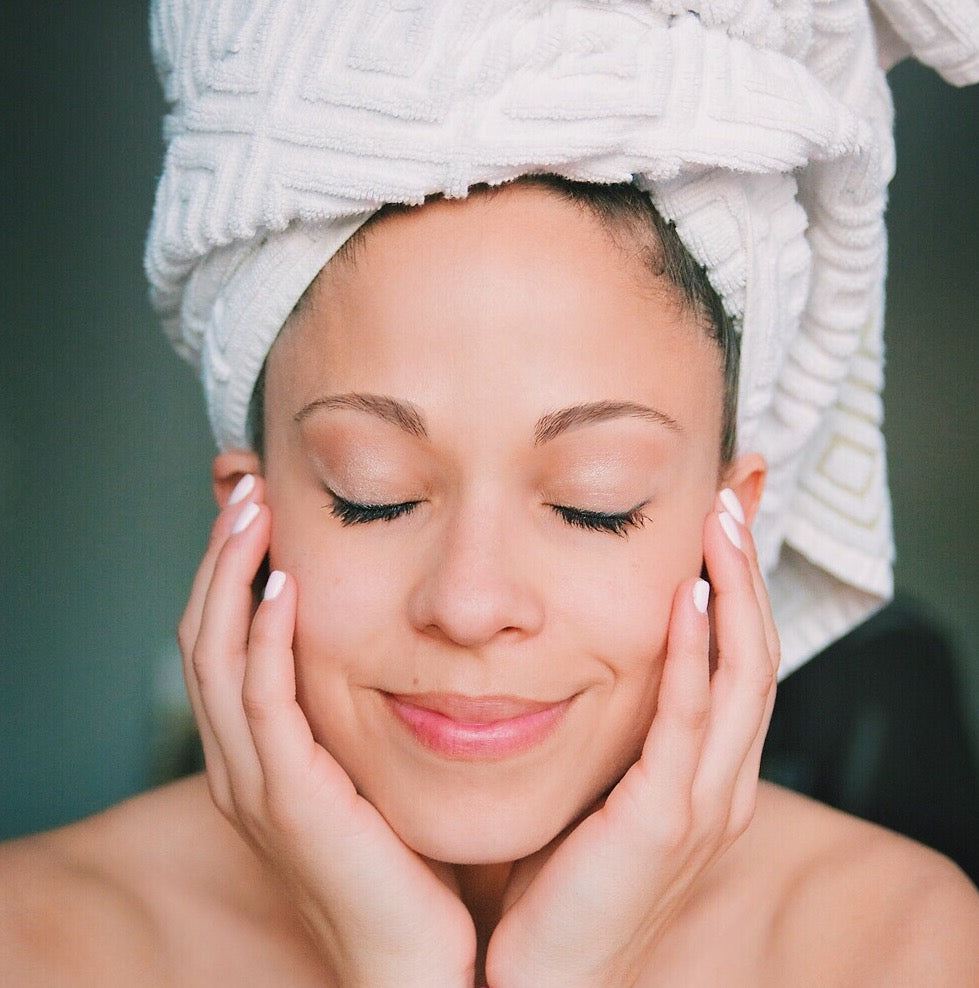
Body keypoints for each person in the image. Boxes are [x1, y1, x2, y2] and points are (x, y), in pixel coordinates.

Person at [3, 2, 979, 985]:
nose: (470, 604)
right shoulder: (34, 942)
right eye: (371, 494)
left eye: (595, 503)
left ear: (731, 518)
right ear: (248, 517)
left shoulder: (906, 948)